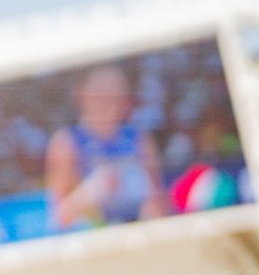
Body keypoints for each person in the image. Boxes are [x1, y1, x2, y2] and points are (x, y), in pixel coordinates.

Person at [44, 64, 169, 231]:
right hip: (92, 236)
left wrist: (149, 203)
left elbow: (161, 203)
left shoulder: (138, 138)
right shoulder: (66, 142)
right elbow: (57, 219)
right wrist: (90, 192)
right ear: (83, 96)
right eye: (100, 96)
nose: (108, 104)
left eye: (115, 96)